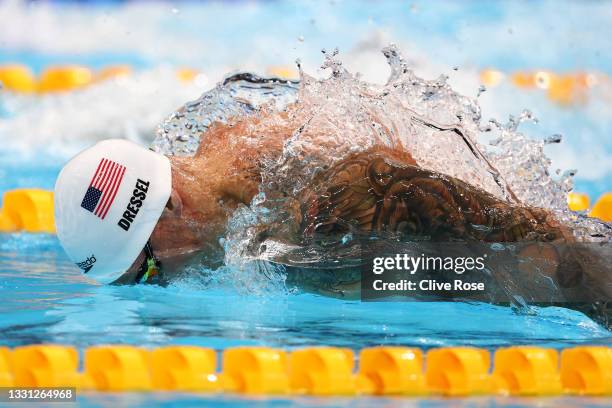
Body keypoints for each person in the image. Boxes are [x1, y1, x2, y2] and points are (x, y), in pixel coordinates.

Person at [54, 112, 610, 326]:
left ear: (170, 206)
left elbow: (539, 271)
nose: (161, 287)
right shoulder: (226, 140)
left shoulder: (312, 248)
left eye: (148, 270)